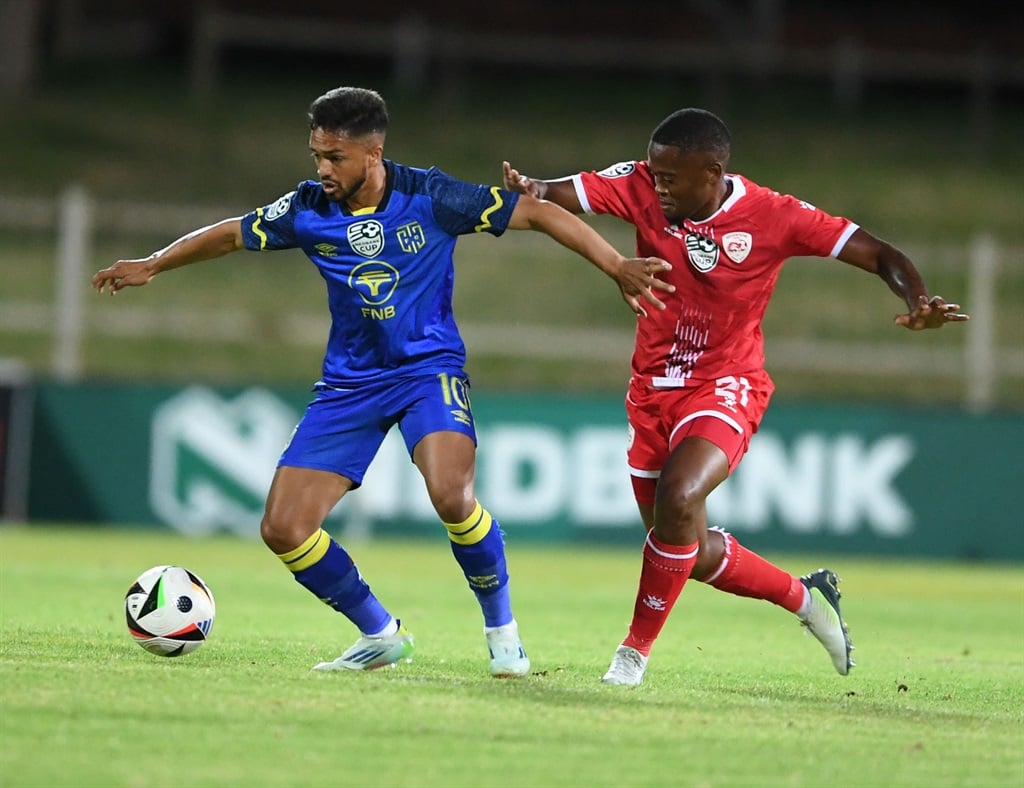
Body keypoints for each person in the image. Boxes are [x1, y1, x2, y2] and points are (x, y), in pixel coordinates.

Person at [92, 86, 673, 678]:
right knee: (284, 528)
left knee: (451, 494)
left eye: (334, 157)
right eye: (316, 154)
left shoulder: (431, 194)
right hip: (350, 383)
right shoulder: (307, 209)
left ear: (373, 154)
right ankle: (380, 633)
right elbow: (232, 233)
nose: (321, 169)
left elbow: (538, 212)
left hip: (428, 370)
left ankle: (504, 633)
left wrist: (616, 265)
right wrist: (154, 264)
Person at [503, 107, 969, 685]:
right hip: (651, 391)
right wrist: (534, 187)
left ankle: (632, 654)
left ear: (713, 172)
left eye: (671, 177)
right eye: (655, 173)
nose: (659, 185)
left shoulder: (773, 215)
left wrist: (917, 298)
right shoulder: (642, 183)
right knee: (685, 549)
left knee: (678, 497)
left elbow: (878, 253)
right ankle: (805, 598)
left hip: (727, 383)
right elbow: (567, 192)